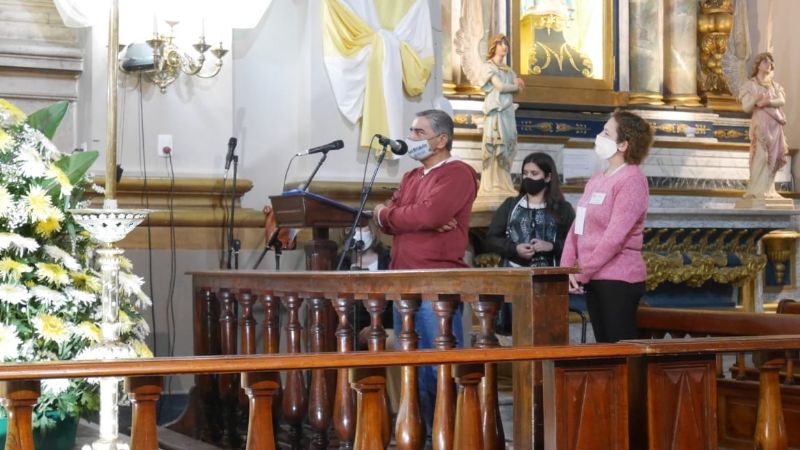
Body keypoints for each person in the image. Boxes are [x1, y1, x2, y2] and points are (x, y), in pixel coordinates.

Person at [373, 109, 478, 435]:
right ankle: (417, 434)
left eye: (419, 132)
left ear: (441, 139)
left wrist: (398, 216)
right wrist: (398, 215)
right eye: (412, 131)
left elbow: (430, 215)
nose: (411, 138)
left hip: (437, 282)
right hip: (403, 280)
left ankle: (451, 434)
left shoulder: (457, 173)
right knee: (411, 365)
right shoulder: (411, 177)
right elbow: (395, 214)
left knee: (439, 365)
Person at [560, 110, 653, 343]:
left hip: (619, 279)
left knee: (619, 350)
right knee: (604, 347)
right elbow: (577, 226)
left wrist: (582, 271)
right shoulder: (597, 178)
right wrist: (567, 267)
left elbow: (614, 237)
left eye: (606, 132)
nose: (599, 136)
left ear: (623, 144)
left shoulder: (632, 179)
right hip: (594, 277)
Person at [486, 152, 575, 334]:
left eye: (534, 174)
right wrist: (514, 248)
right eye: (525, 173)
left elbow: (575, 244)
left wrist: (551, 246)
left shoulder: (563, 209)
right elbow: (491, 239)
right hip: (514, 279)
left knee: (547, 332)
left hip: (549, 281)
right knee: (516, 332)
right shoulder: (511, 205)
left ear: (548, 177)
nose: (528, 178)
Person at [478, 33, 525, 196]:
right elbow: (500, 87)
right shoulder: (488, 67)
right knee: (494, 145)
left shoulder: (509, 70)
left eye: (506, 44)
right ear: (494, 46)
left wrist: (518, 84)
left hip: (507, 112)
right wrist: (515, 85)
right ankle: (491, 186)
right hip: (495, 111)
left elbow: (515, 91)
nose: (504, 47)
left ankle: (504, 184)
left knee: (507, 144)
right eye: (501, 44)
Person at [738, 52, 788, 200]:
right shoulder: (750, 85)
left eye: (771, 62)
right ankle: (755, 190)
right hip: (761, 125)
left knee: (773, 157)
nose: (769, 64)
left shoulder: (775, 85)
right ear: (758, 65)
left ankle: (769, 190)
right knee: (761, 156)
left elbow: (782, 101)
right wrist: (756, 99)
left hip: (775, 126)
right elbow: (746, 107)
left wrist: (767, 102)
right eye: (766, 61)